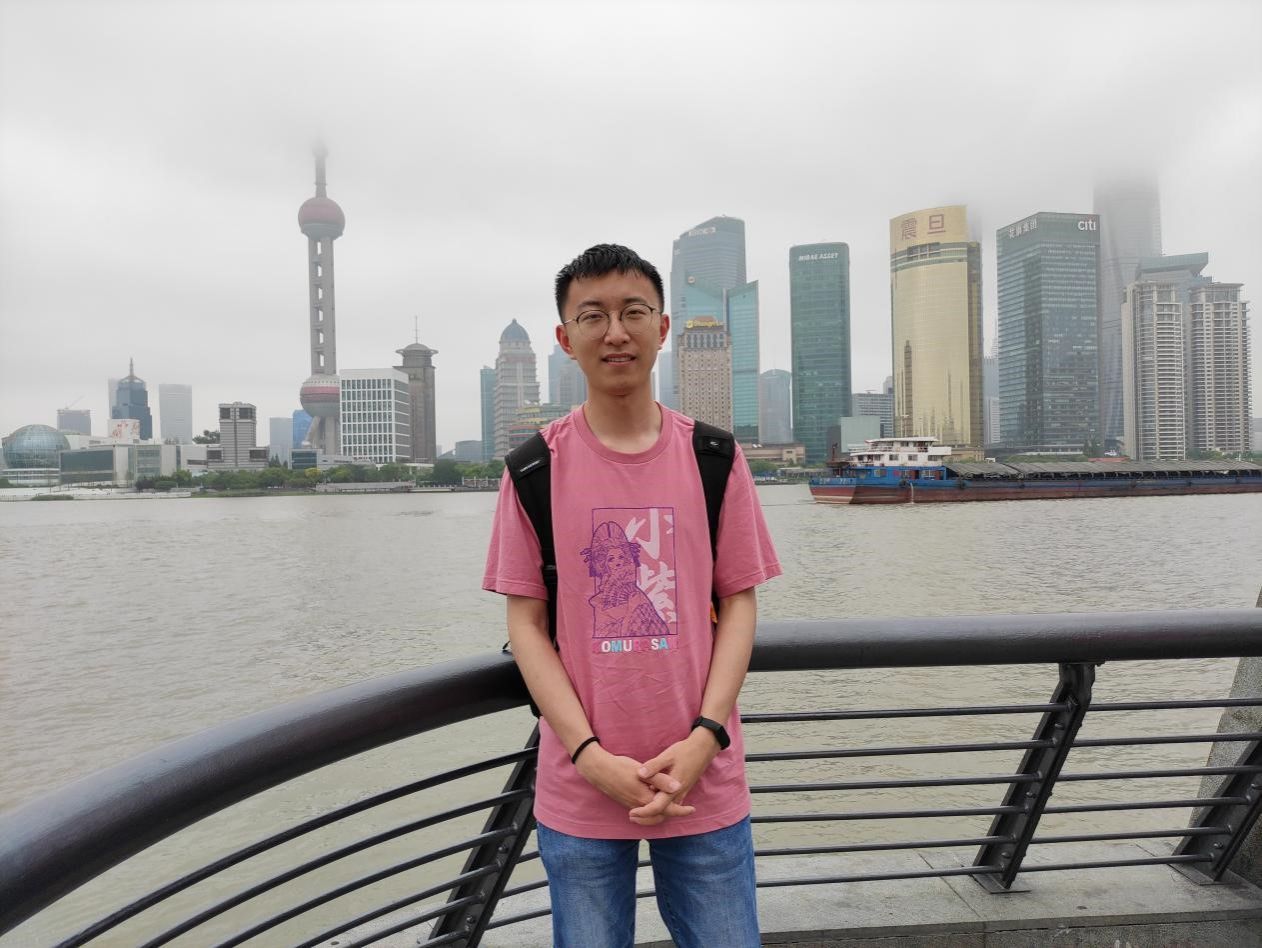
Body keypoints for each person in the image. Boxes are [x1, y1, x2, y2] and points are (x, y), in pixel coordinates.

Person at [483, 243, 781, 948]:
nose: (615, 332)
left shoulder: (714, 458)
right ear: (566, 338)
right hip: (581, 783)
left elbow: (739, 603)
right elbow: (527, 626)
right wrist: (588, 755)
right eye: (593, 316)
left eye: (633, 312)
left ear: (662, 327)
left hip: (704, 777)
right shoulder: (533, 468)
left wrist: (705, 737)